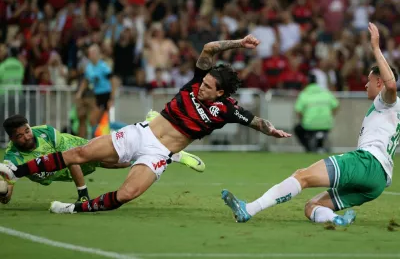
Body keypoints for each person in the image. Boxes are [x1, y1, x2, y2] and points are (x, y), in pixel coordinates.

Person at [0, 35, 291, 214]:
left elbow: (257, 121)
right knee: (81, 153)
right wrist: (240, 43)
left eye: (208, 86)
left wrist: (272, 130)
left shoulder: (227, 110)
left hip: (158, 155)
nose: (201, 87)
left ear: (221, 93)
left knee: (126, 194)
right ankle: (15, 170)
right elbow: (209, 48)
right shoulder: (194, 83)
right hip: (140, 134)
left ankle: (73, 208)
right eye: (203, 82)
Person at [220, 23, 398, 226]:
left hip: (367, 163)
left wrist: (375, 48)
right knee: (312, 207)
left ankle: (248, 209)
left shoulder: (387, 100)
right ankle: (336, 219)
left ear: (379, 82)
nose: (365, 84)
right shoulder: (393, 110)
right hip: (378, 182)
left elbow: (391, 84)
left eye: (369, 80)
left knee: (301, 176)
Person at [0, 113, 205, 205]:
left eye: (27, 130)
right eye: (21, 135)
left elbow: (72, 159)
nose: (27, 136)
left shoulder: (45, 133)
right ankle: (168, 151)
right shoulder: (13, 157)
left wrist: (83, 194)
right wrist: (5, 191)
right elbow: (9, 186)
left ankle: (161, 139)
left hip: (82, 151)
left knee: (122, 161)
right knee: (124, 163)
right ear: (12, 138)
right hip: (74, 164)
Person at [294, 74, 339, 153]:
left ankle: (308, 148)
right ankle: (320, 146)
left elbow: (298, 111)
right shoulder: (326, 92)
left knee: (298, 129)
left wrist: (303, 119)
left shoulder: (304, 94)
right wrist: (330, 116)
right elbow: (336, 106)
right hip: (326, 124)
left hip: (309, 125)